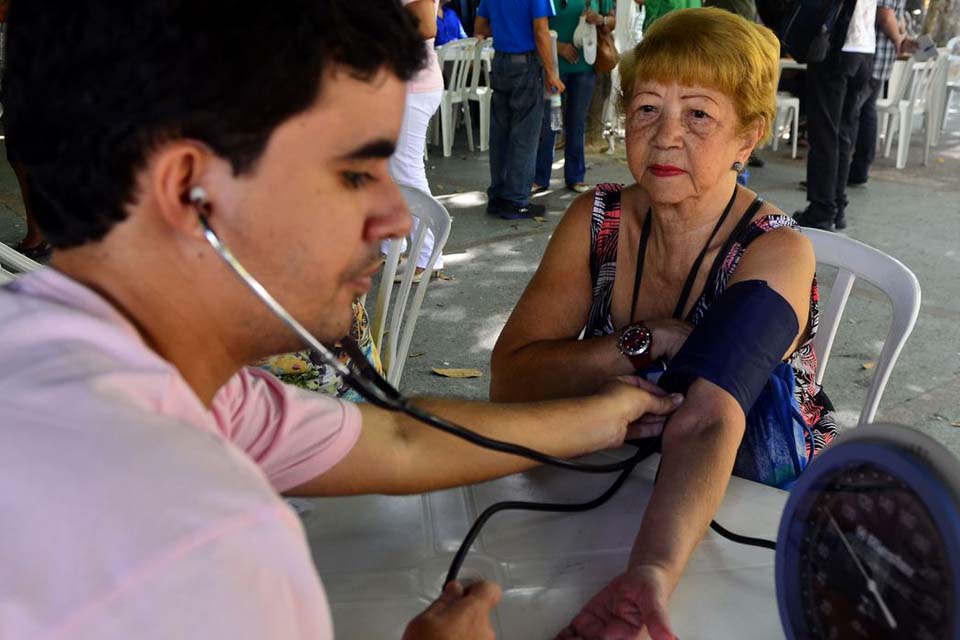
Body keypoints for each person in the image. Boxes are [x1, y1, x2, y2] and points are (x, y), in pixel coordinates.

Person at [0, 2, 685, 639]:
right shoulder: (207, 538)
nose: (394, 221)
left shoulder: (106, 369)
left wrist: (608, 415)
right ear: (189, 191)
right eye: (356, 174)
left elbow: (395, 438)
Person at [490, 9, 836, 637]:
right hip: (614, 483)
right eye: (647, 108)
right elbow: (510, 380)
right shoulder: (596, 222)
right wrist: (634, 342)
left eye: (699, 114)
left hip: (756, 504)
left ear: (748, 137)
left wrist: (648, 573)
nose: (666, 135)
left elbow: (709, 413)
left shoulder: (774, 250)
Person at [475, 0, 565, 220]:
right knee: (525, 135)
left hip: (500, 63)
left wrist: (506, 29)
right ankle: (516, 200)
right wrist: (552, 73)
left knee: (501, 134)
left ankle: (498, 195)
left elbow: (480, 28)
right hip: (526, 64)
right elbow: (541, 32)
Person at [793, 0, 877, 231]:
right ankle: (837, 206)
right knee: (843, 132)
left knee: (824, 132)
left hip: (836, 46)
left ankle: (822, 210)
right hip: (864, 48)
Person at [384, 0, 445, 281]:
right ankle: (406, 247)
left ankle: (427, 257)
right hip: (407, 84)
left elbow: (427, 25)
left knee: (407, 173)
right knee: (394, 171)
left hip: (414, 86)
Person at [533, 0, 616, 195]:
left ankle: (576, 176)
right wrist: (560, 47)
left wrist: (600, 19)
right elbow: (536, 27)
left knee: (577, 122)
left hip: (584, 68)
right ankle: (540, 177)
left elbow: (612, 21)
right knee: (549, 123)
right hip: (552, 68)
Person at [848, 0, 918, 186]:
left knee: (851, 115)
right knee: (866, 112)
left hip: (872, 51)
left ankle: (838, 176)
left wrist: (898, 39)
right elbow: (896, 15)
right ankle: (859, 170)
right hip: (882, 56)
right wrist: (900, 36)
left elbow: (885, 14)